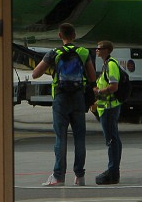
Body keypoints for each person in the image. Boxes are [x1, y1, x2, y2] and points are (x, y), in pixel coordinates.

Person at [32, 23, 96, 186]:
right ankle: (79, 176)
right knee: (79, 138)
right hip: (78, 97)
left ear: (60, 36)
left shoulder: (54, 53)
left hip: (60, 98)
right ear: (74, 36)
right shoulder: (83, 52)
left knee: (61, 138)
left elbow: (35, 74)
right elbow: (92, 77)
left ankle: (58, 176)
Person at [93, 40, 123, 185]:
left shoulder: (111, 65)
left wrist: (99, 92)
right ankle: (113, 170)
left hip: (110, 108)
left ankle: (113, 171)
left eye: (99, 48)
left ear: (106, 50)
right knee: (112, 139)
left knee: (112, 140)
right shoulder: (106, 64)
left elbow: (114, 86)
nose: (96, 50)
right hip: (105, 107)